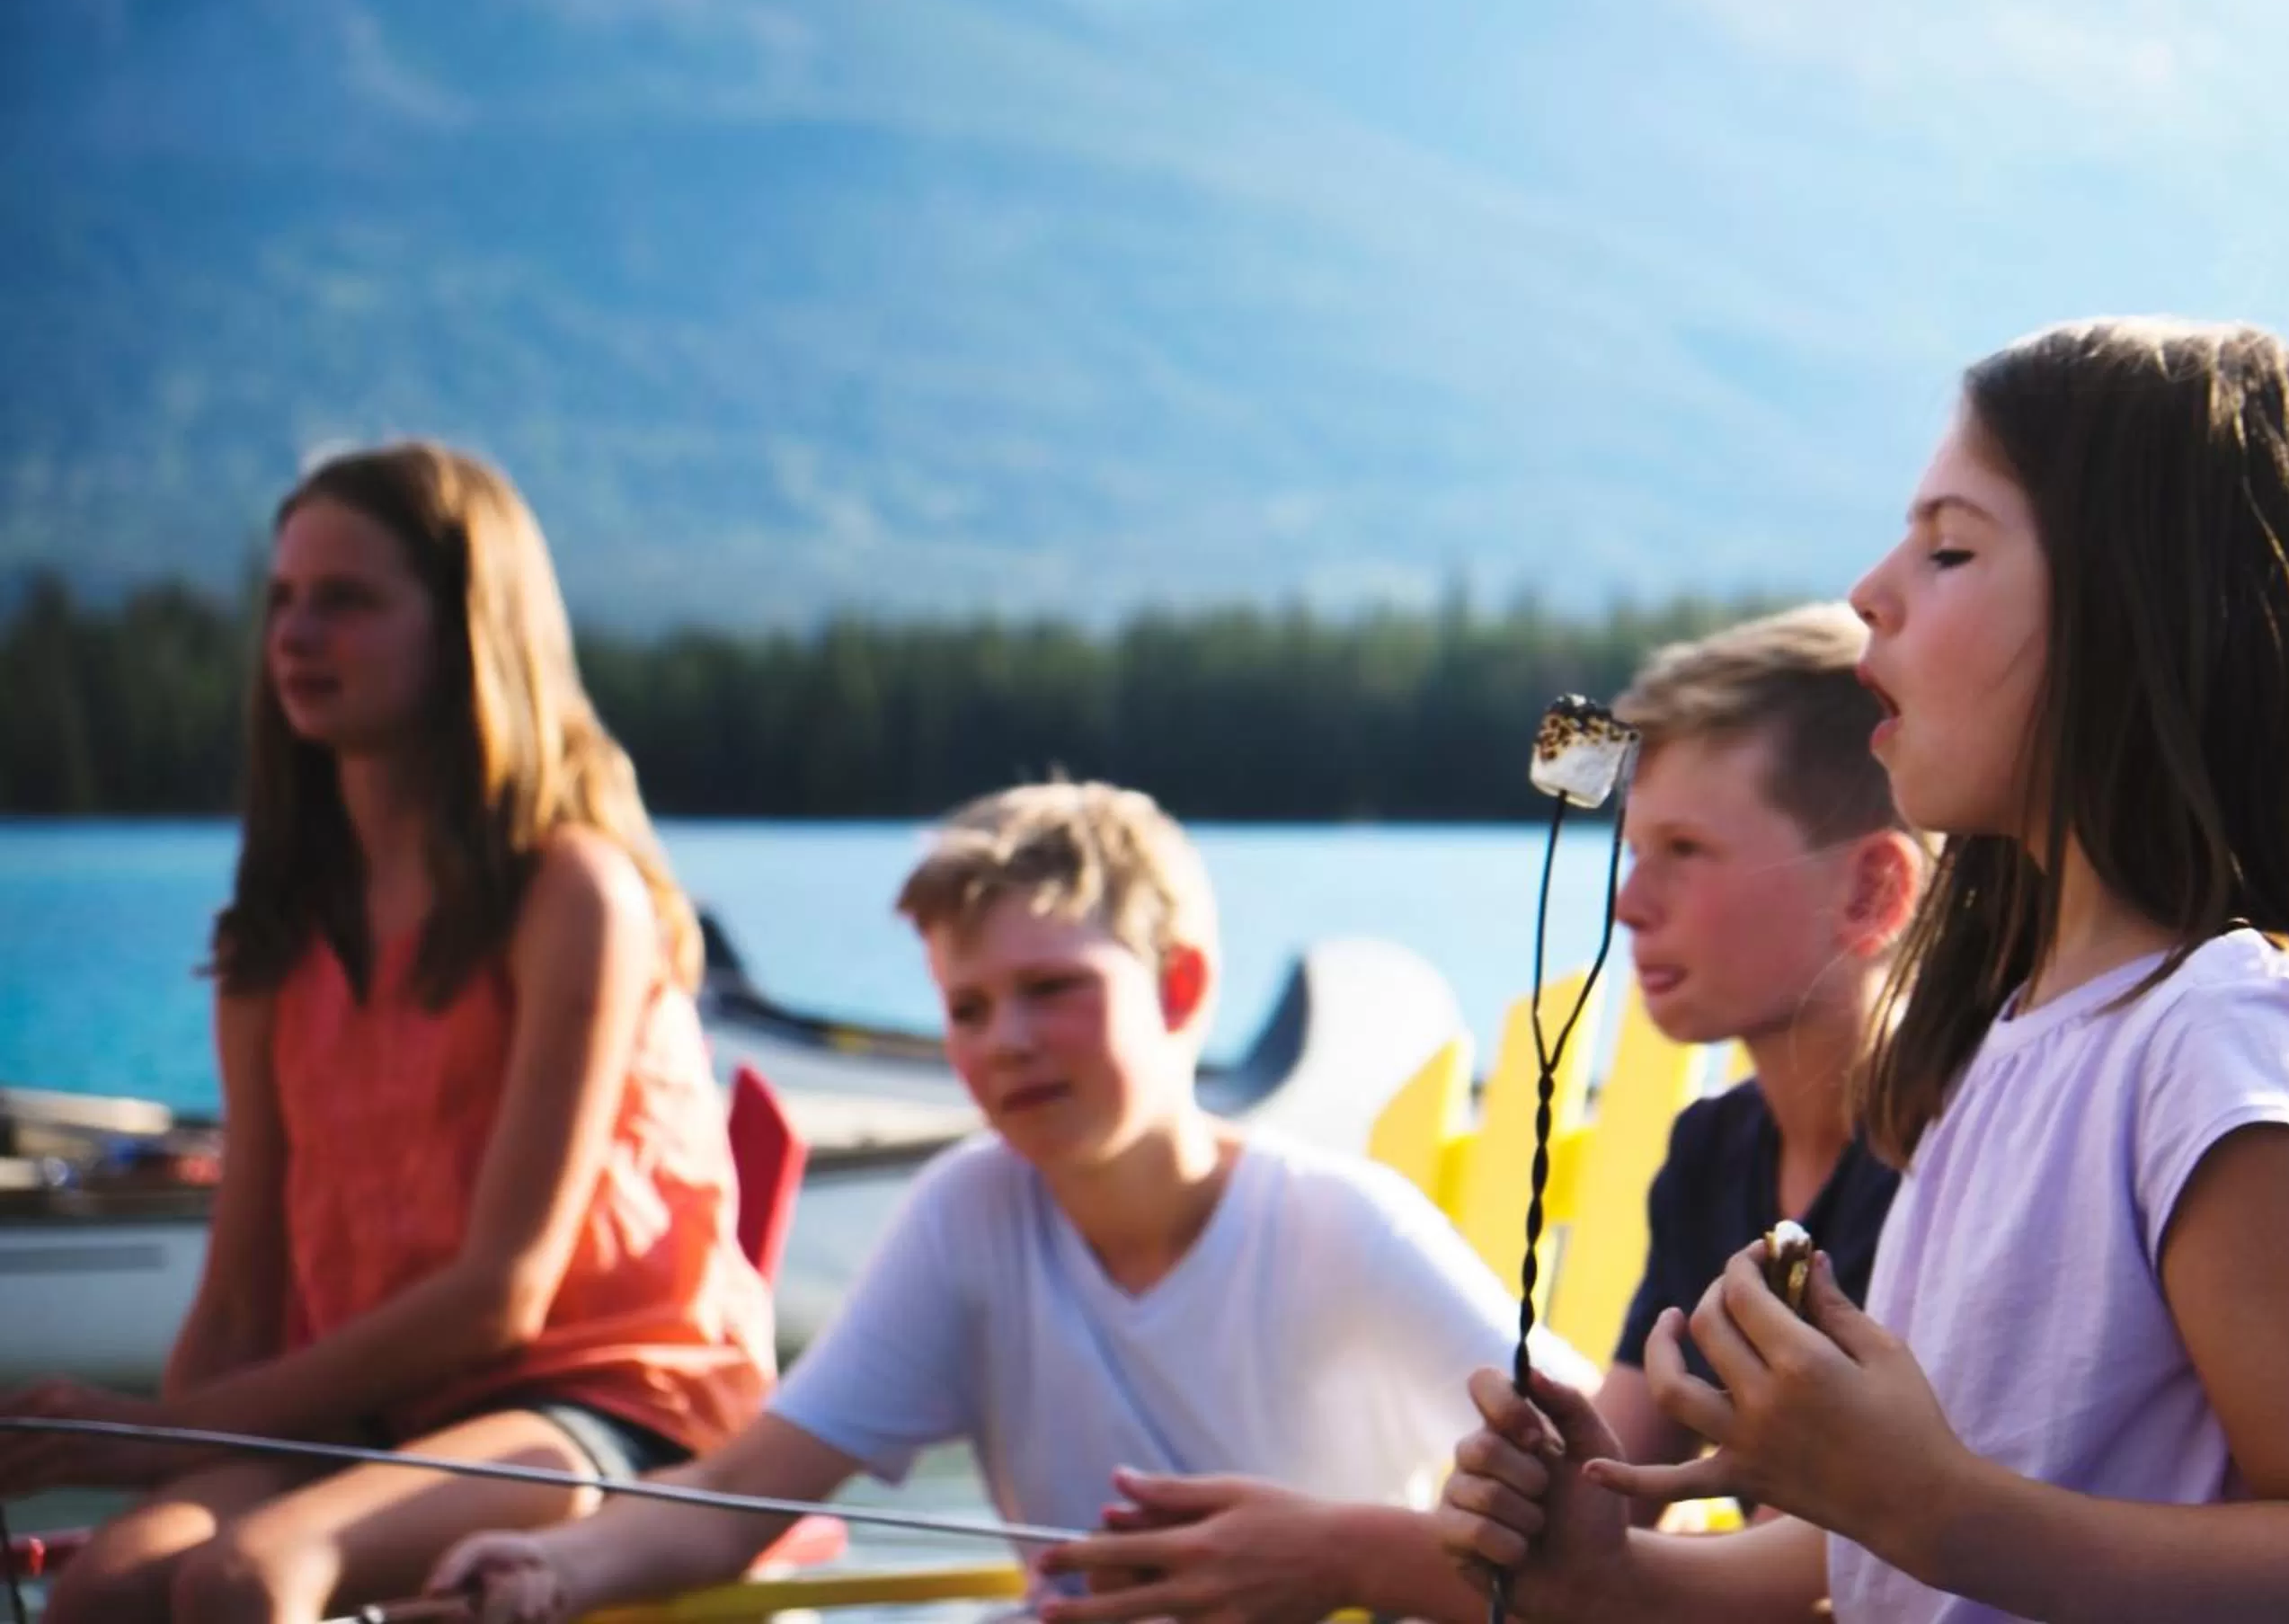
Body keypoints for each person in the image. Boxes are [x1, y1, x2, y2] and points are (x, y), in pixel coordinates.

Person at [1437, 318, 2289, 1621]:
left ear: (2145, 618)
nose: (1870, 593)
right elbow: (1900, 1546)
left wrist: (1928, 1501)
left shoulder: (2224, 1035)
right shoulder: (2012, 1041)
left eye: (1950, 548)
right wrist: (1616, 1570)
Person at [433, 779, 1591, 1624]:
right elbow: (743, 1486)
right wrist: (559, 1568)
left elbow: (1600, 1472)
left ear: (1180, 987)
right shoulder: (969, 1213)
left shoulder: (1336, 1223)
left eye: (1054, 989)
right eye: (970, 1007)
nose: (1010, 1043)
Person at [0, 443, 772, 1623]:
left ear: (468, 629)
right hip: (383, 1410)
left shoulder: (572, 896)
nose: (297, 637)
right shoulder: (275, 936)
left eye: (348, 601)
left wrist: (171, 1430)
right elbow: (243, 1286)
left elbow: (500, 1299)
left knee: (251, 1580)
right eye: (282, 602)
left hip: (609, 1406)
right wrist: (157, 1450)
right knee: (103, 1588)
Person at [1593, 603, 1923, 1517]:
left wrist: (1351, 1551)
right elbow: (1607, 1488)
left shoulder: (1944, 1159)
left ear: (1870, 889)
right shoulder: (1713, 1152)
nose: (1630, 904)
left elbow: (1827, 1567)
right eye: (1634, 851)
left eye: (1686, 850)